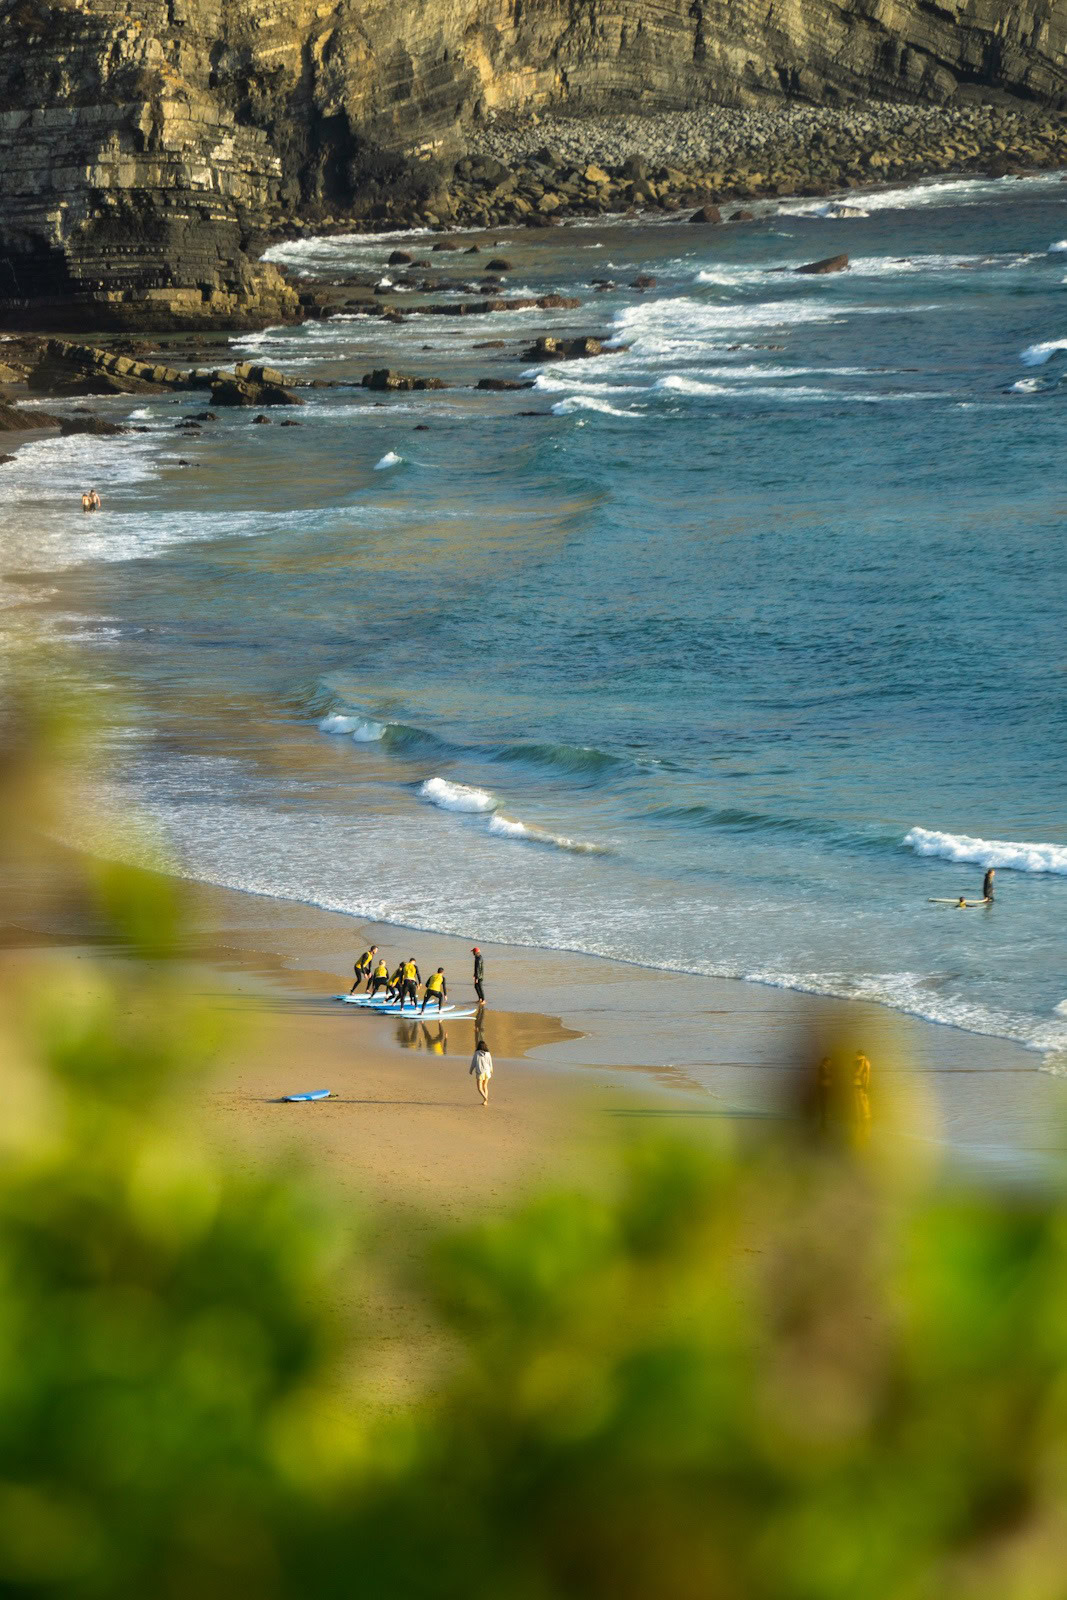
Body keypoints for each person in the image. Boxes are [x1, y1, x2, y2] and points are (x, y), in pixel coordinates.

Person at [470, 1038, 493, 1106]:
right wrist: (491, 1069)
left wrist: (471, 1070)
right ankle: (485, 1101)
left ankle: (485, 1098)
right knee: (485, 1086)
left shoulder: (476, 1053)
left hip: (480, 1072)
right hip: (487, 1072)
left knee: (479, 1088)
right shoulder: (488, 1053)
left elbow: (473, 1062)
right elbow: (490, 1062)